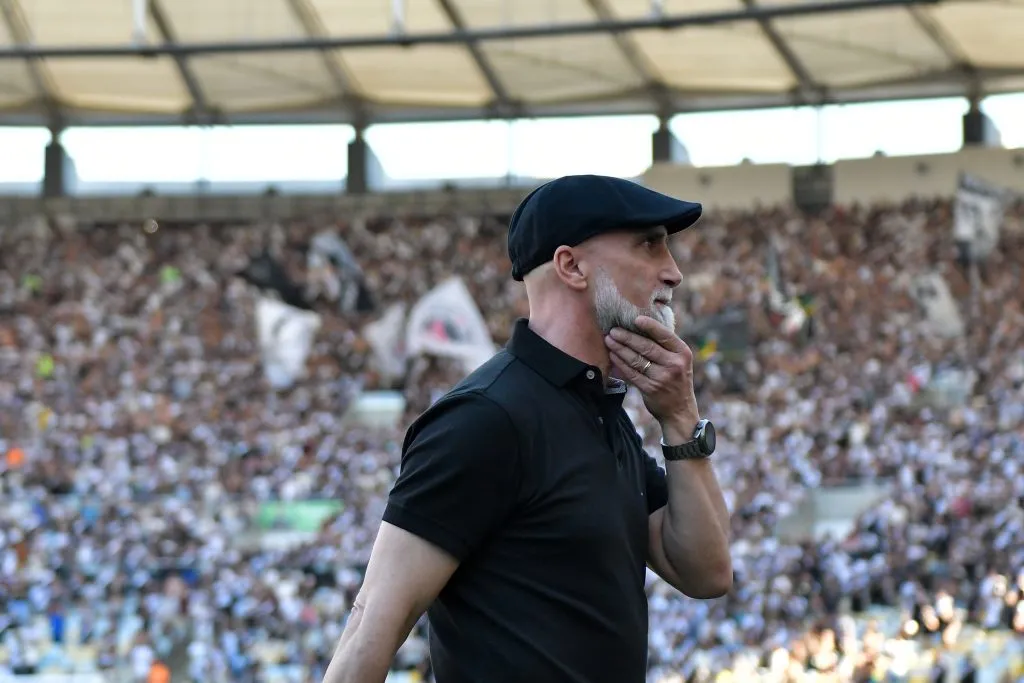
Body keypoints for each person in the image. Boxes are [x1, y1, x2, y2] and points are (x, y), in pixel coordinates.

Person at [323, 175, 733, 683]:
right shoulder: (485, 418)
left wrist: (679, 418)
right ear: (571, 266)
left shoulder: (601, 410)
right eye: (649, 244)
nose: (673, 272)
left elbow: (706, 571)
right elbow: (373, 622)